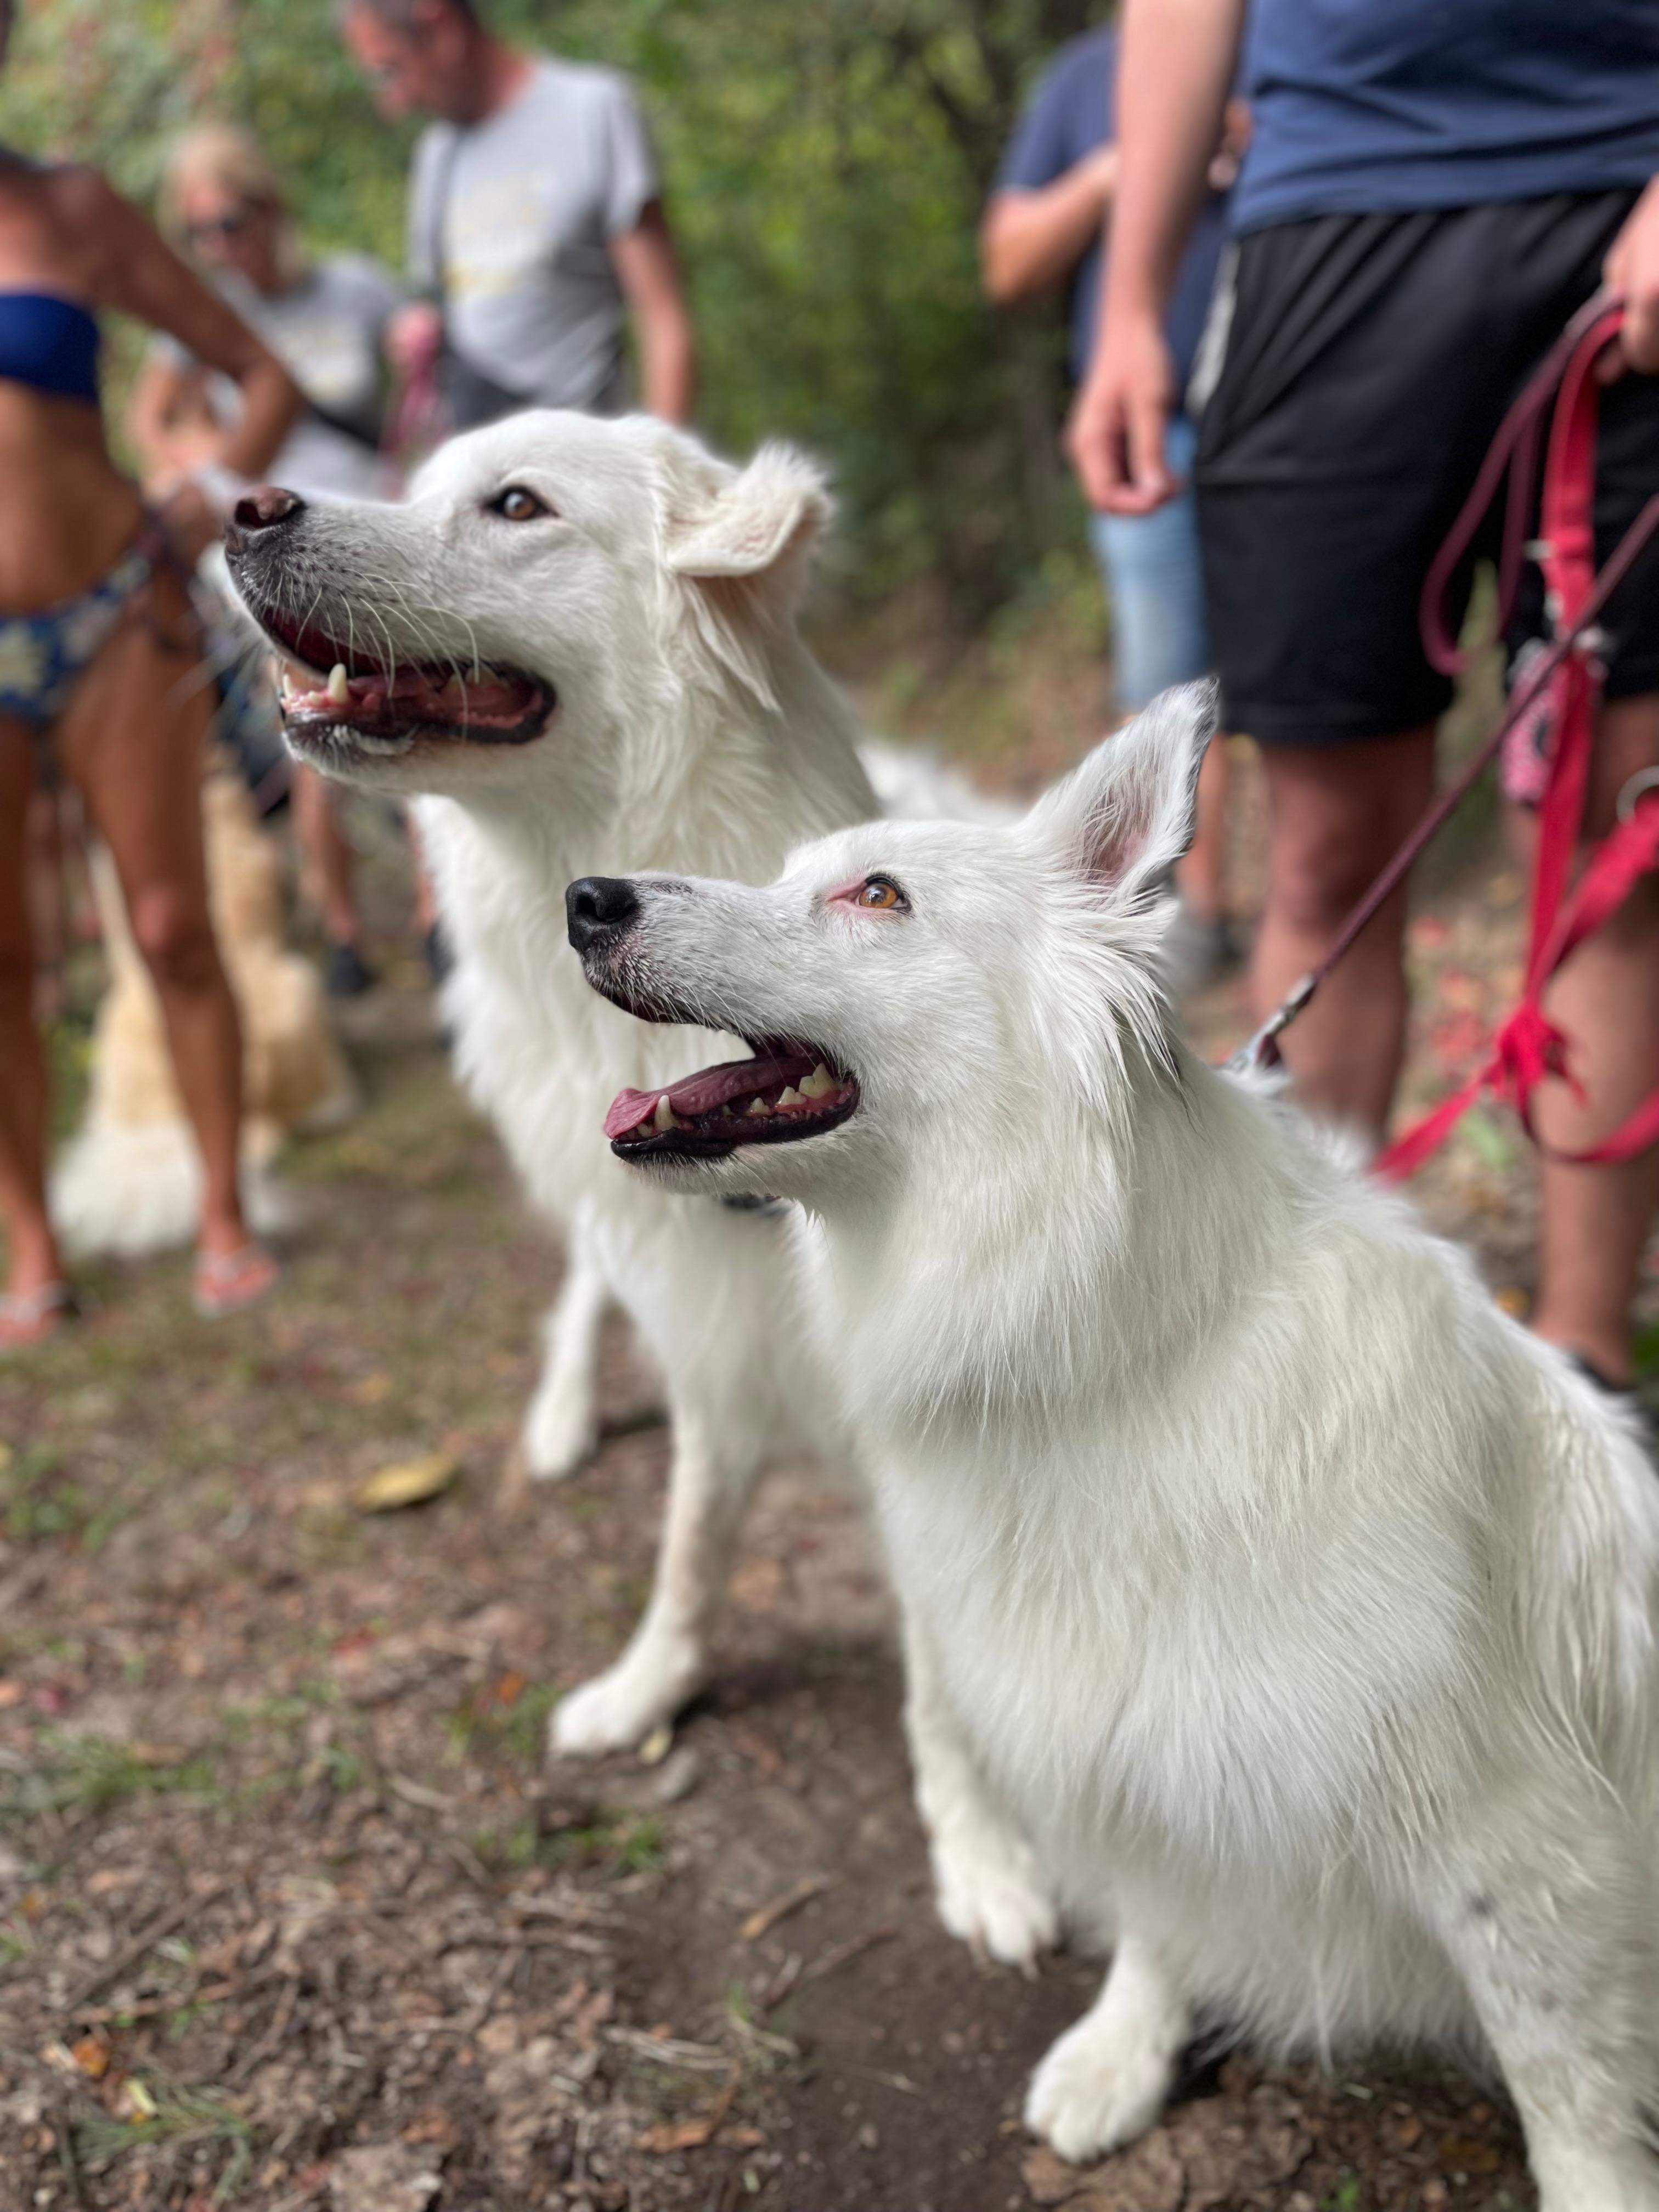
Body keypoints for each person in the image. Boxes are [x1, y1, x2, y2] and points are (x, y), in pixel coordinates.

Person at [1070, 0, 1659, 1397]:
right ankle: (1306, 1372)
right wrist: (1131, 306)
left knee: (1616, 864)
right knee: (1329, 853)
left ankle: (1585, 1378)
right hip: (1334, 226)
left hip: (1624, 195)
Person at [0, 13, 300, 1346]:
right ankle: (32, 1243)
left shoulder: (70, 209)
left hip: (114, 614)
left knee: (175, 926)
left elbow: (261, 372)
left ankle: (224, 1211)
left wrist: (202, 491)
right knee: (2, 956)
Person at [983, 32, 1246, 980]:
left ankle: (1245, 909)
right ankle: (1189, 920)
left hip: (1300, 417)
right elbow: (1007, 262)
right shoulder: (1078, 79)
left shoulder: (1297, 38)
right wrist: (1125, 168)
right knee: (1165, 689)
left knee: (1297, 693)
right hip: (1153, 431)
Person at [129, 123, 407, 997]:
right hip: (275, 545)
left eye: (230, 222)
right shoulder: (205, 320)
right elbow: (151, 425)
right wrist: (210, 464)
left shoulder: (356, 288)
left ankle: (439, 915)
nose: (219, 246)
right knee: (317, 727)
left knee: (413, 706)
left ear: (271, 208)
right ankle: (346, 931)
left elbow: (429, 379)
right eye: (198, 233)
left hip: (376, 523)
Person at [339, 0, 695, 433]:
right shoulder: (438, 155)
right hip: (478, 453)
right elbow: (440, 305)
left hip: (577, 446)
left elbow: (663, 318)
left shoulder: (592, 110)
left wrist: (663, 468)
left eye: (390, 70)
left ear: (442, 27)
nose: (394, 103)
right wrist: (419, 332)